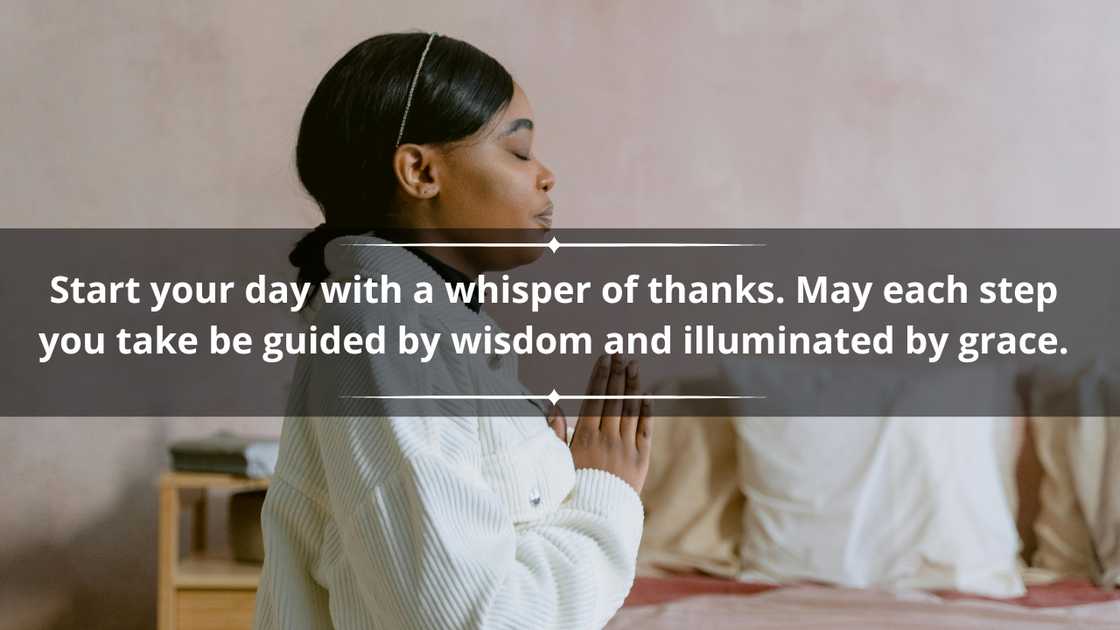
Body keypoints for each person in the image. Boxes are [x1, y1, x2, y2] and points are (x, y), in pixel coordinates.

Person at [253, 31, 654, 630]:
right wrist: (605, 495)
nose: (546, 176)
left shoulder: (426, 329)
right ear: (419, 171)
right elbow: (472, 616)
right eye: (519, 153)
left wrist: (548, 470)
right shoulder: (382, 331)